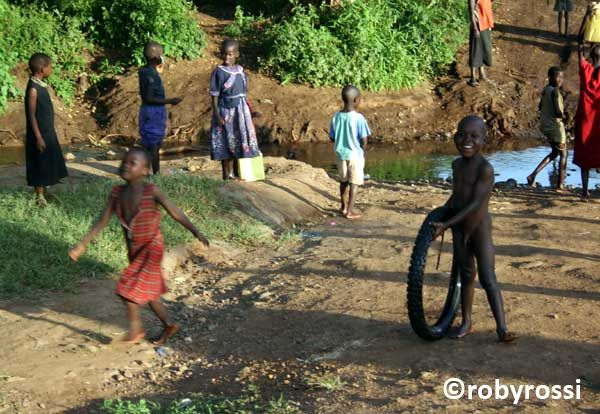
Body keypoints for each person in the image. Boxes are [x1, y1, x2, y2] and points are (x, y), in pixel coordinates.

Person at [69, 148, 209, 345]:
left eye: (132, 163)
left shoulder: (151, 191)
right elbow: (102, 220)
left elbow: (175, 212)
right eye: (124, 161)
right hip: (134, 250)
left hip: (152, 247)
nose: (126, 165)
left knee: (125, 286)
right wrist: (81, 245)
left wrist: (195, 231)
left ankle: (136, 329)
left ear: (145, 170)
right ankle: (169, 324)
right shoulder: (117, 193)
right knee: (150, 293)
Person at [432, 115, 516, 343]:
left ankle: (502, 328)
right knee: (467, 274)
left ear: (484, 140)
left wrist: (446, 223)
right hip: (460, 229)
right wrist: (443, 213)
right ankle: (466, 322)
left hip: (479, 228)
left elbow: (474, 204)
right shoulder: (456, 165)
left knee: (488, 277)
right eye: (462, 134)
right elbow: (458, 195)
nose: (466, 140)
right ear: (455, 137)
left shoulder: (485, 169)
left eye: (474, 136)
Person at [210, 38, 260, 180]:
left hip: (241, 112)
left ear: (237, 54)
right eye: (225, 54)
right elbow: (214, 97)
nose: (227, 57)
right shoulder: (218, 72)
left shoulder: (241, 71)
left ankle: (238, 173)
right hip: (226, 112)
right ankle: (227, 174)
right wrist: (217, 115)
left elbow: (244, 95)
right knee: (227, 142)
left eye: (230, 54)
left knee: (239, 141)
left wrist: (250, 113)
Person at [25, 53, 68, 206]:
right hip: (39, 134)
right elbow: (31, 115)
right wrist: (38, 137)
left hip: (47, 131)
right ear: (42, 69)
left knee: (48, 162)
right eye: (50, 67)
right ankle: (39, 196)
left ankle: (45, 191)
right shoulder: (33, 89)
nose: (52, 69)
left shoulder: (41, 85)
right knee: (39, 163)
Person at [138, 41, 182, 175]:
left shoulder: (144, 71)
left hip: (145, 110)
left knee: (147, 143)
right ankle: (156, 173)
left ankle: (145, 170)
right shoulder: (151, 75)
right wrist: (170, 101)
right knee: (155, 145)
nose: (163, 57)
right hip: (154, 112)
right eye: (162, 54)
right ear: (157, 57)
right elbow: (149, 98)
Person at [329, 85, 371, 219]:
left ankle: (343, 207)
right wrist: (362, 152)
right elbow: (364, 140)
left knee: (343, 181)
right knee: (354, 182)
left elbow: (332, 137)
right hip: (355, 155)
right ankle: (350, 211)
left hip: (340, 155)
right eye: (359, 99)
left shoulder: (336, 116)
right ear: (356, 100)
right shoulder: (359, 118)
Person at [527, 66, 568, 189]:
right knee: (564, 155)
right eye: (557, 76)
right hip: (555, 127)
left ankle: (532, 175)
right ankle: (560, 185)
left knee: (555, 153)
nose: (560, 79)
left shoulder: (546, 90)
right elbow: (557, 112)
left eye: (562, 77)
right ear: (549, 77)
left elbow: (540, 107)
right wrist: (565, 116)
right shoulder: (555, 91)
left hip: (546, 125)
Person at [573, 42, 600, 199]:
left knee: (584, 154)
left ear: (590, 56)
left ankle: (585, 191)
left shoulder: (586, 70)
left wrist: (581, 49)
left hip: (584, 118)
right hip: (598, 119)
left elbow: (580, 57)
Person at [468, 0, 494, 86]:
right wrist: (475, 28)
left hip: (485, 24)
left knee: (483, 49)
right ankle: (473, 77)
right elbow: (471, 12)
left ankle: (482, 74)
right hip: (478, 26)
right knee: (475, 50)